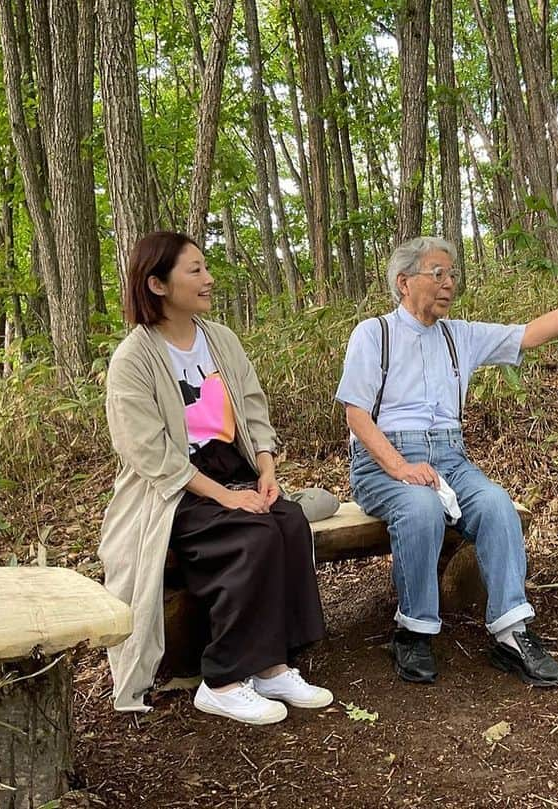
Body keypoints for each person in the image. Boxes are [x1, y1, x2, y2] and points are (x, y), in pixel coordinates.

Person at [336, 236, 558, 687]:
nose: (448, 284)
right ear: (404, 282)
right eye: (437, 274)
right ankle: (413, 630)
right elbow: (355, 413)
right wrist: (400, 467)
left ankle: (510, 634)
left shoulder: (459, 336)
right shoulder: (373, 334)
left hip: (449, 459)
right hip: (384, 461)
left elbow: (528, 334)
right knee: (419, 509)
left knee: (498, 506)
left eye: (452, 275)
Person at [100, 231, 337, 723]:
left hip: (234, 466)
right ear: (158, 285)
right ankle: (223, 679)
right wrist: (226, 500)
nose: (209, 280)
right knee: (249, 535)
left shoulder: (220, 340)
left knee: (288, 521)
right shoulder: (133, 359)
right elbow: (149, 454)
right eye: (195, 271)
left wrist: (266, 470)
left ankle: (271, 665)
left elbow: (252, 408)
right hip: (172, 491)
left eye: (206, 268)